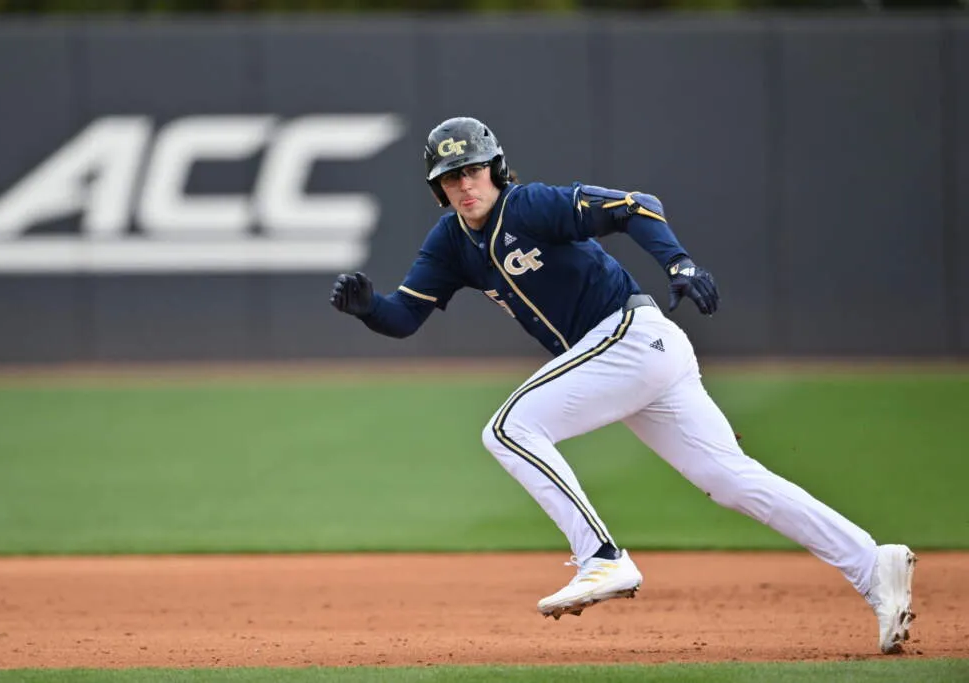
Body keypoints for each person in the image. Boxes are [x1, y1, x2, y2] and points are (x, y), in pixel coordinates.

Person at [328, 116, 916, 654]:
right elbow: (404, 317)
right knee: (731, 480)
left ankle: (602, 557)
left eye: (474, 169)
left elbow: (636, 206)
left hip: (629, 336)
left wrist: (679, 262)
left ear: (497, 169)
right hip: (629, 357)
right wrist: (368, 309)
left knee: (509, 429)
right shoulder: (450, 242)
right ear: (438, 188)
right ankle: (872, 564)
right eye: (450, 176)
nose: (464, 184)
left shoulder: (529, 205)